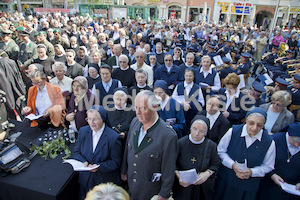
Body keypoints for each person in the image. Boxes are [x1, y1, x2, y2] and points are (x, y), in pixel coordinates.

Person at [121, 90, 178, 200]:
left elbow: (168, 169)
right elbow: (128, 148)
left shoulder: (168, 136)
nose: (138, 112)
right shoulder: (134, 122)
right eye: (136, 107)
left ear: (155, 107)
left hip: (150, 191)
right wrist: (124, 170)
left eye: (143, 108)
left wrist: (164, 194)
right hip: (131, 186)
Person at [215, 107, 276, 200]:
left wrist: (252, 172)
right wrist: (232, 165)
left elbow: (268, 166)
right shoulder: (233, 131)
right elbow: (221, 151)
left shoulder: (269, 141)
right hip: (227, 180)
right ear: (246, 121)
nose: (254, 128)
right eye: (251, 123)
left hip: (249, 186)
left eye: (259, 125)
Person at [73, 105, 122, 199]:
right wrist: (84, 162)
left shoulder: (113, 137)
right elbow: (77, 152)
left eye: (95, 119)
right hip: (85, 181)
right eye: (89, 119)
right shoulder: (83, 131)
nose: (91, 123)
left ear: (103, 119)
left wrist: (98, 167)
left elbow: (115, 162)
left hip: (103, 183)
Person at [173, 116, 220, 200]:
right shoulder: (180, 143)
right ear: (190, 128)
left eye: (201, 131)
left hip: (202, 187)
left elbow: (215, 164)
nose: (196, 133)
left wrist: (207, 174)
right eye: (194, 129)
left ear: (206, 132)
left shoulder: (211, 146)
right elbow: (173, 163)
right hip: (183, 186)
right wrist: (179, 177)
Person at [257, 122, 300, 200]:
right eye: (293, 141)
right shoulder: (275, 139)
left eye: (299, 143)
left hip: (292, 192)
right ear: (288, 135)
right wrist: (272, 175)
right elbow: (262, 160)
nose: (296, 145)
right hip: (269, 186)